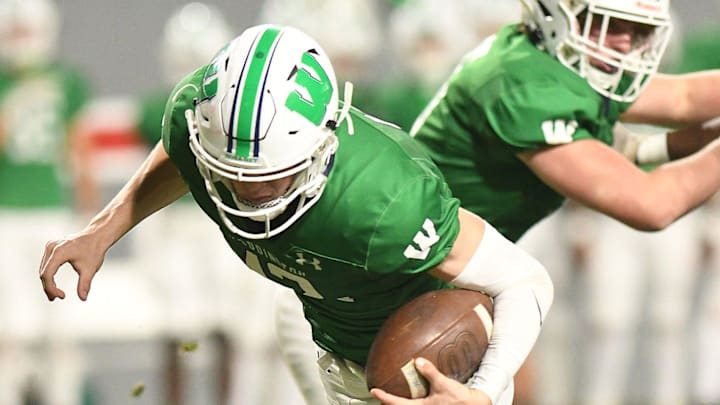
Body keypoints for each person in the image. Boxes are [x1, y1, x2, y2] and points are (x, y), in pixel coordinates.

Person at [38, 24, 554, 405]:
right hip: (327, 335)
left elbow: (526, 282)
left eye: (273, 175)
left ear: (323, 143)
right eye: (232, 172)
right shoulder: (195, 116)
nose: (249, 193)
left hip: (436, 370)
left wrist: (482, 393)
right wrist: (103, 229)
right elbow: (179, 149)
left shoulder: (384, 199)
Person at [409, 0, 720, 403]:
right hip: (416, 276)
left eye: (638, 31)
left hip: (456, 267)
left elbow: (684, 98)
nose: (624, 43)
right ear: (557, 13)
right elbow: (653, 204)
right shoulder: (524, 82)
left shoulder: (551, 58)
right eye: (610, 25)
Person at [0, 0, 92, 403]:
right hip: (10, 209)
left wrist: (90, 214)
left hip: (46, 209)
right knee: (9, 331)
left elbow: (78, 148)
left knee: (59, 328)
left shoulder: (65, 81)